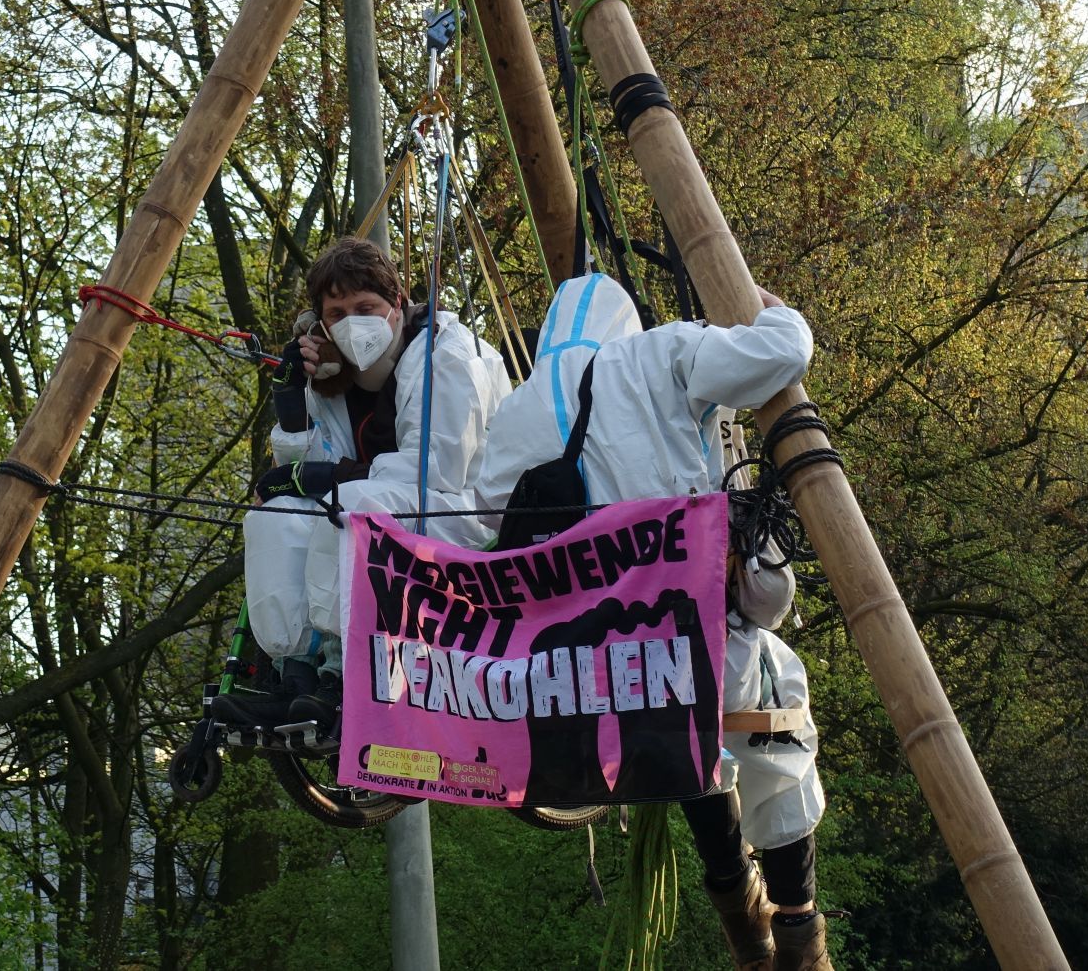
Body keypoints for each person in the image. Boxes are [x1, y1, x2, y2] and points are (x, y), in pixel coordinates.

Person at [474, 273, 832, 971]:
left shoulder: (515, 410)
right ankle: (795, 924)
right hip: (683, 653)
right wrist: (771, 309)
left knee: (694, 752)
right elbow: (781, 354)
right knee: (773, 711)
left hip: (566, 677)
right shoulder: (661, 352)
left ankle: (739, 909)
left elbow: (484, 529)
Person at [233, 237, 511, 733]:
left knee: (350, 505)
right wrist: (293, 406)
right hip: (376, 512)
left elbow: (439, 469)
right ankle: (294, 672)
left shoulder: (449, 354)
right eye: (337, 312)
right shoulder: (336, 377)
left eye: (366, 307)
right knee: (277, 516)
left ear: (397, 304)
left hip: (467, 518)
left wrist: (330, 478)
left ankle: (344, 671)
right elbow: (308, 479)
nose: (352, 322)